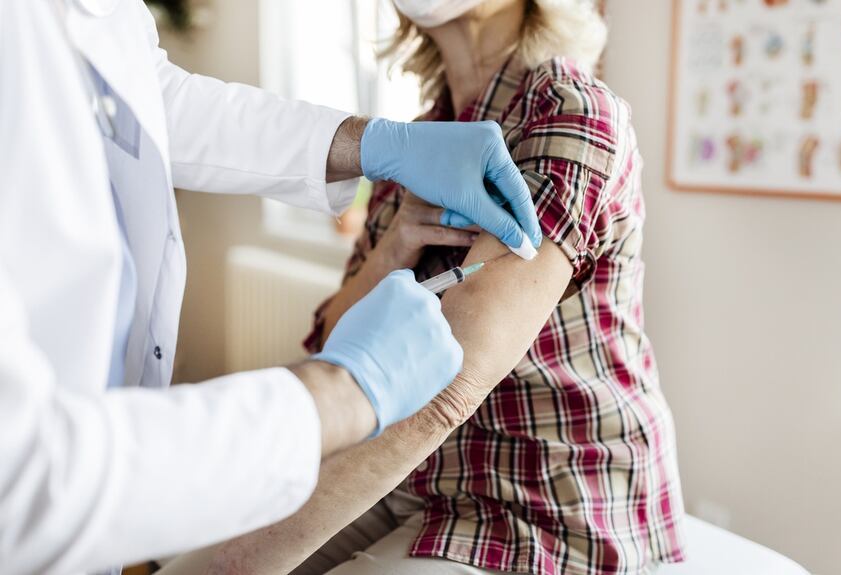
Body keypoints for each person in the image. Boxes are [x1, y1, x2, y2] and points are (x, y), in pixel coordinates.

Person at [0, 0, 543, 573]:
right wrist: (342, 392)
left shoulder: (561, 114)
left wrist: (368, 144)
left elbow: (145, 96)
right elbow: (23, 482)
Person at [177, 0, 687, 573]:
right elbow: (333, 338)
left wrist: (242, 562)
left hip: (547, 491)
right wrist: (396, 244)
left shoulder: (569, 110)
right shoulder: (421, 135)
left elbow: (454, 385)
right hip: (419, 479)